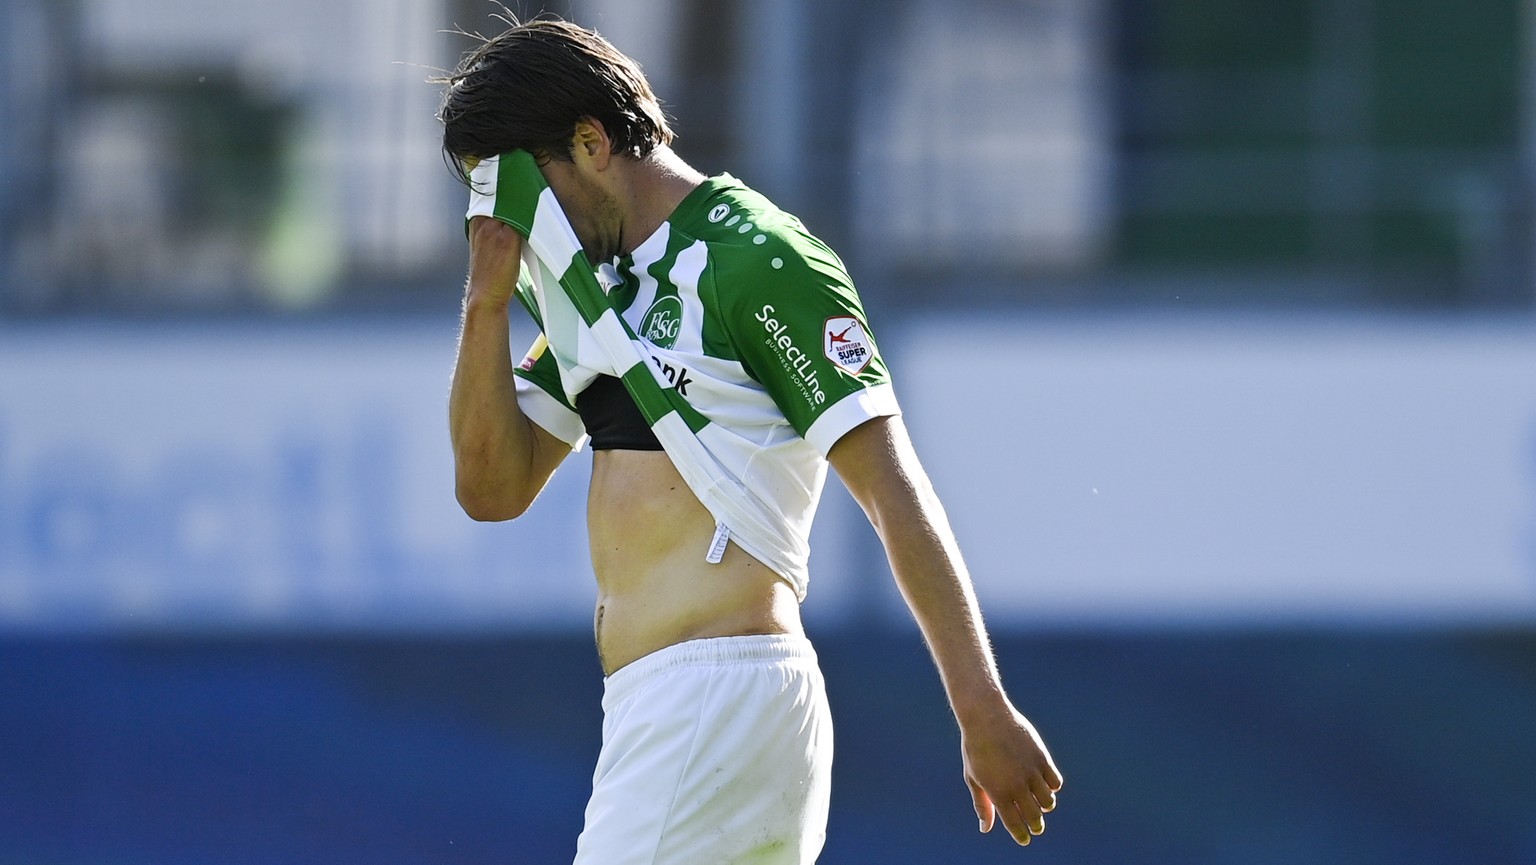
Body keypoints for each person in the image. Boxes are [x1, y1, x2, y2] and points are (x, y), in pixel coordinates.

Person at [436, 15, 1062, 864]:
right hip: (677, 710)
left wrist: (980, 706)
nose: (524, 225)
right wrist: (486, 303)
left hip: (710, 697)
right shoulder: (597, 294)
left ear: (590, 143)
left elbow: (892, 486)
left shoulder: (757, 258)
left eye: (523, 191)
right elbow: (491, 488)